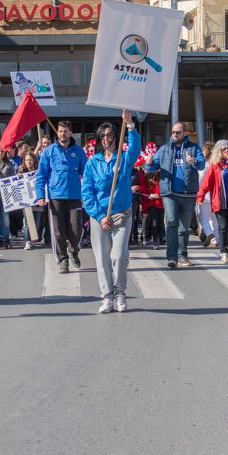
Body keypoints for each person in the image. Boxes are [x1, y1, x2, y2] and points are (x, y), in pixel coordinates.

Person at [81, 110, 140, 314]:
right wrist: (99, 216)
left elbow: (135, 149)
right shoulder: (92, 163)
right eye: (103, 136)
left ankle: (120, 292)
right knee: (102, 259)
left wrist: (130, 125)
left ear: (116, 137)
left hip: (121, 213)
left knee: (119, 255)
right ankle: (107, 297)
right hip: (100, 216)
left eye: (110, 135)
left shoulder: (123, 159)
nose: (106, 138)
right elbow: (87, 192)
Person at [143, 121, 206, 269]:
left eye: (178, 132)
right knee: (171, 222)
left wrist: (194, 161)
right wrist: (149, 163)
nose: (175, 135)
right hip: (170, 193)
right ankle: (172, 257)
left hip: (188, 193)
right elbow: (152, 168)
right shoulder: (164, 149)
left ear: (185, 133)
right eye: (173, 132)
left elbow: (202, 164)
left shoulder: (194, 148)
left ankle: (182, 255)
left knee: (184, 228)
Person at [35, 120, 88, 273]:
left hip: (74, 196)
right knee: (58, 231)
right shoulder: (49, 151)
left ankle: (73, 251)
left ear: (71, 133)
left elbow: (87, 175)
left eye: (65, 131)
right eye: (60, 131)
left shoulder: (79, 151)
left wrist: (89, 194)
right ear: (57, 132)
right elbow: (41, 176)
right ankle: (63, 259)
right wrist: (40, 195)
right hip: (56, 197)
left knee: (77, 229)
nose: (62, 134)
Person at [19, 153, 45, 249]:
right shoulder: (22, 172)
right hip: (27, 202)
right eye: (26, 160)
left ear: (34, 160)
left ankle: (34, 239)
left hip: (37, 201)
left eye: (30, 160)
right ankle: (27, 241)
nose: (28, 162)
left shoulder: (39, 171)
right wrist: (18, 177)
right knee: (28, 222)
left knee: (37, 223)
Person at [136, 167, 163, 249]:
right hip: (151, 203)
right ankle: (155, 240)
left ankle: (158, 236)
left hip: (161, 203)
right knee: (154, 222)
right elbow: (144, 190)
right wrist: (149, 196)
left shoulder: (162, 176)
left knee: (160, 223)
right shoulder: (147, 177)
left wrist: (159, 195)